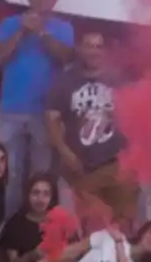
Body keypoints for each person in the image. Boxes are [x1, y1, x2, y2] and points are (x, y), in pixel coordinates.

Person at [0, 0, 75, 218]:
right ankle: (8, 230)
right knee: (10, 174)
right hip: (11, 111)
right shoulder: (9, 23)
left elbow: (67, 58)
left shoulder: (63, 28)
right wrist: (20, 32)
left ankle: (38, 231)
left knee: (41, 177)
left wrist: (41, 33)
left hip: (45, 113)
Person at [46, 30, 137, 225]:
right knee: (84, 228)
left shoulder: (120, 79)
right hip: (80, 170)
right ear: (80, 49)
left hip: (115, 168)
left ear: (106, 51)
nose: (94, 51)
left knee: (122, 227)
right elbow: (52, 118)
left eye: (98, 46)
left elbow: (138, 117)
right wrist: (65, 153)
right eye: (89, 45)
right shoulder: (65, 81)